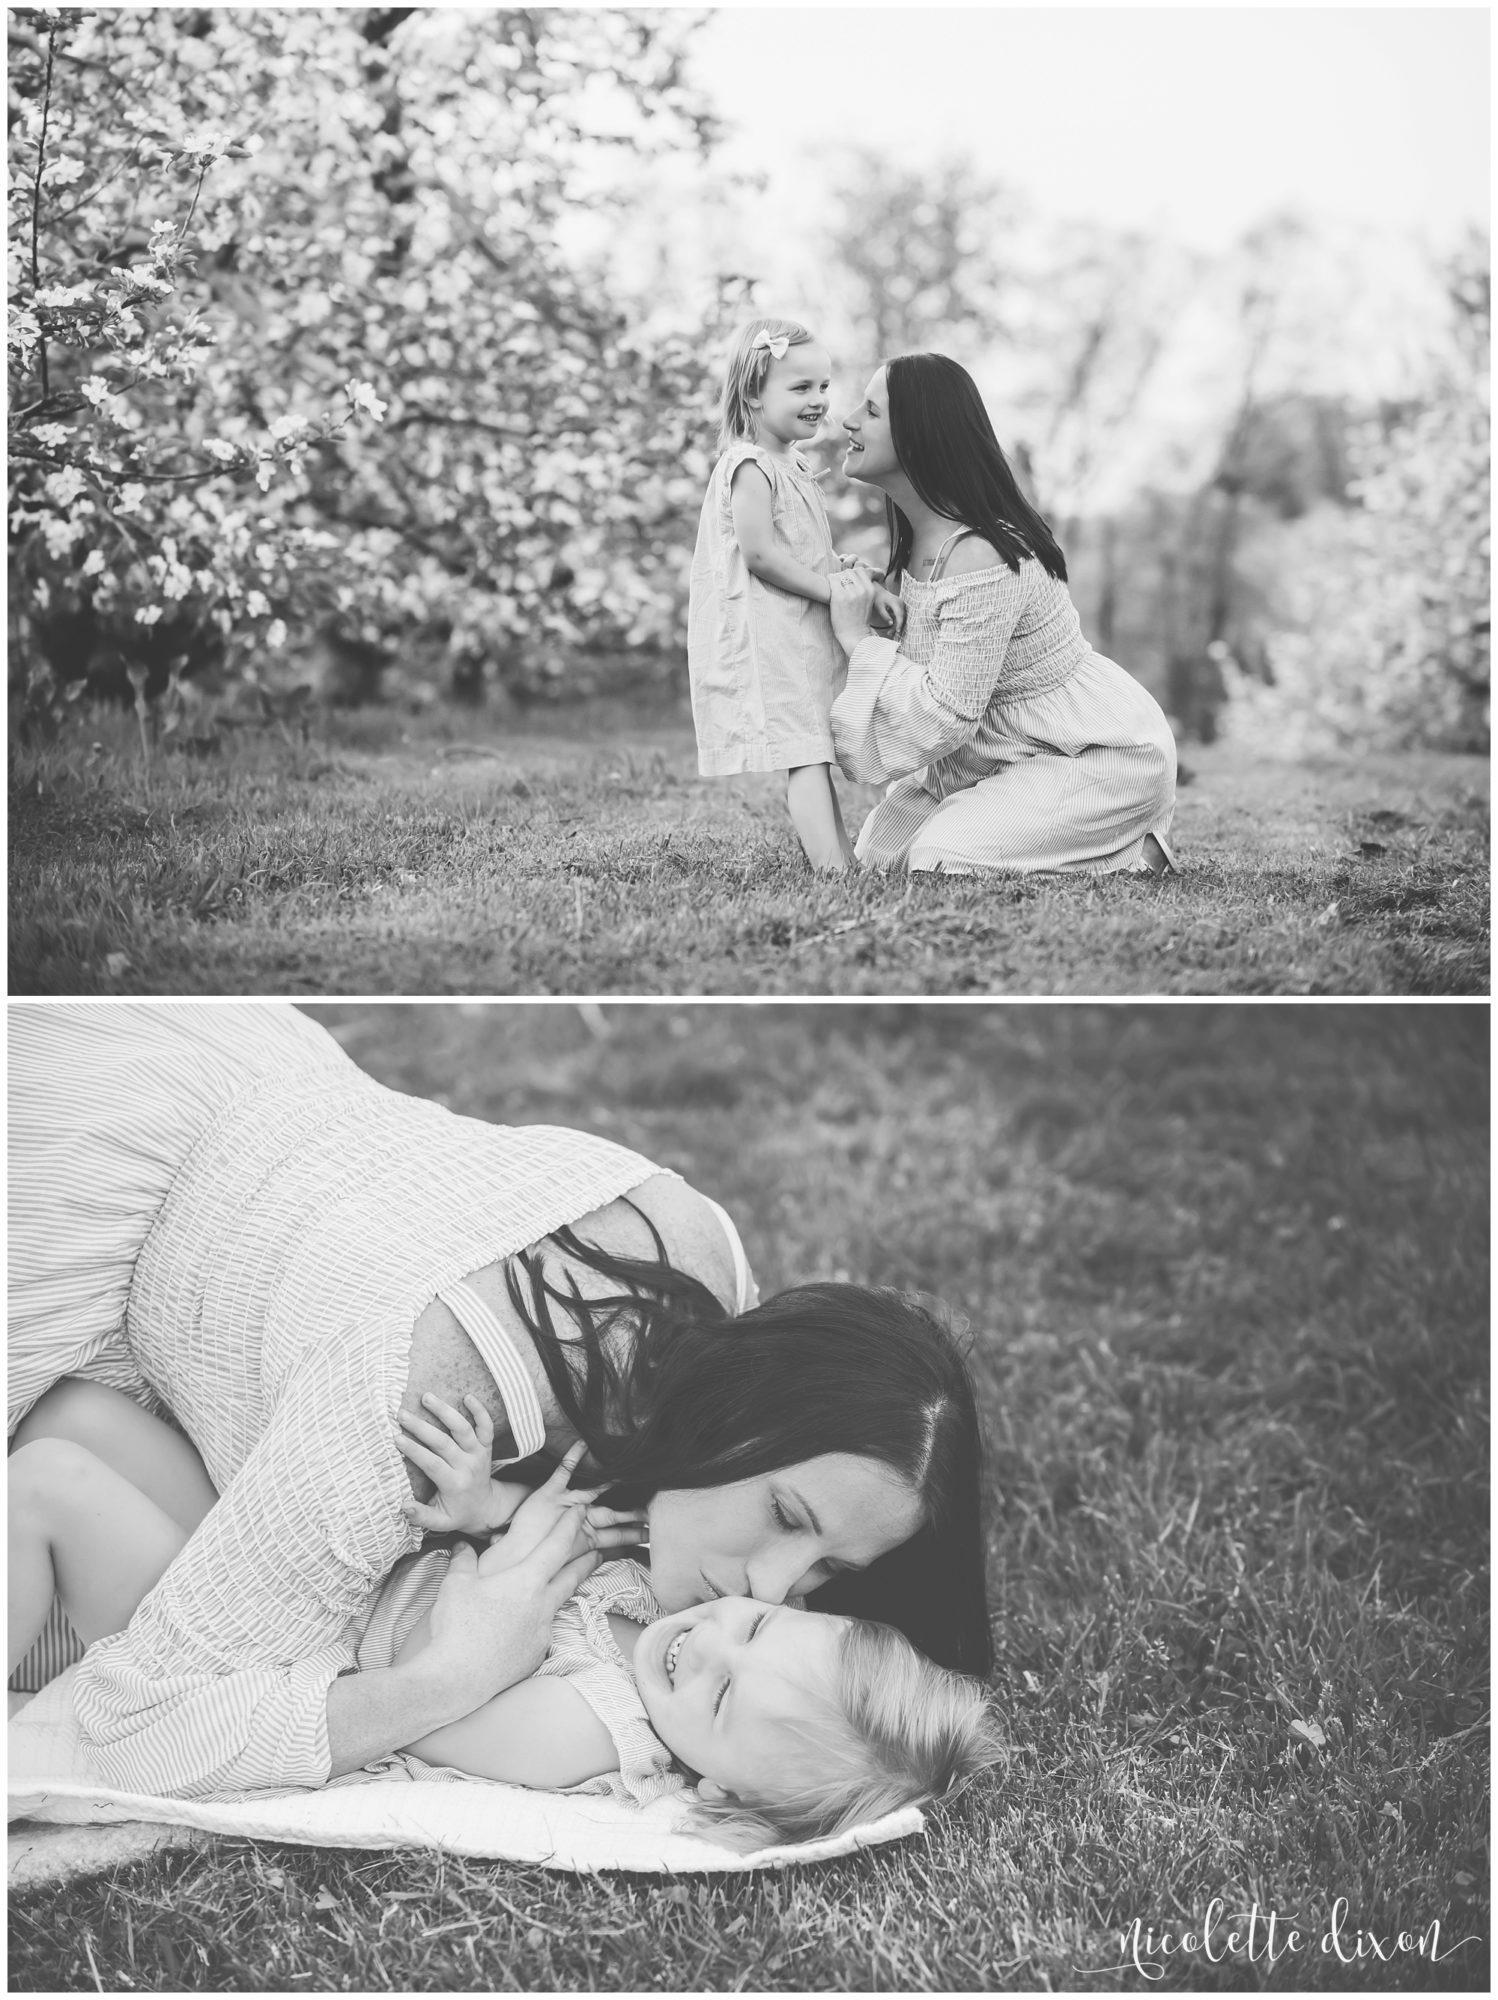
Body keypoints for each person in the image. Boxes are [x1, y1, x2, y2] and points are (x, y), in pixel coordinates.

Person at [8, 1003, 991, 1802]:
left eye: (822, 1572)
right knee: (57, 1451)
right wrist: (479, 1528)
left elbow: (453, 1701)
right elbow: (142, 1729)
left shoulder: (696, 1303)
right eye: (787, 1516)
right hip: (93, 1163)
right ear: (746, 1405)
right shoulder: (420, 1397)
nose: (770, 1590)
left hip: (248, 1102)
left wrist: (460, 1669)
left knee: (62, 1440)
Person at [10, 1391, 1003, 1852]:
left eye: (724, 1694)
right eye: (753, 1628)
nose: (708, 1645)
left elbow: (429, 1699)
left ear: (721, 1778)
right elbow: (536, 1539)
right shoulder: (663, 1605)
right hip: (298, 1572)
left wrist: (482, 1607)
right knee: (83, 1417)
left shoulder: (591, 1722)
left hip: (271, 1642)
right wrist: (485, 1510)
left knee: (51, 1486)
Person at [829, 353, 1179, 876]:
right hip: (996, 753)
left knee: (941, 859)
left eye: (871, 411)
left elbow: (947, 712)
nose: (848, 419)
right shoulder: (918, 538)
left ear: (920, 436)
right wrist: (883, 614)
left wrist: (859, 640)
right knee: (879, 857)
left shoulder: (980, 552)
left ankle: (1131, 848)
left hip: (1093, 756)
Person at [687, 315, 905, 871]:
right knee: (805, 755)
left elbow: (805, 551)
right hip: (772, 636)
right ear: (754, 396)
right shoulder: (749, 466)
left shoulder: (793, 463)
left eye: (824, 386)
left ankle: (841, 861)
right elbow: (760, 555)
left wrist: (855, 578)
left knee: (814, 752)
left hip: (800, 633)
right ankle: (833, 871)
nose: (819, 400)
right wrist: (834, 592)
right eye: (801, 387)